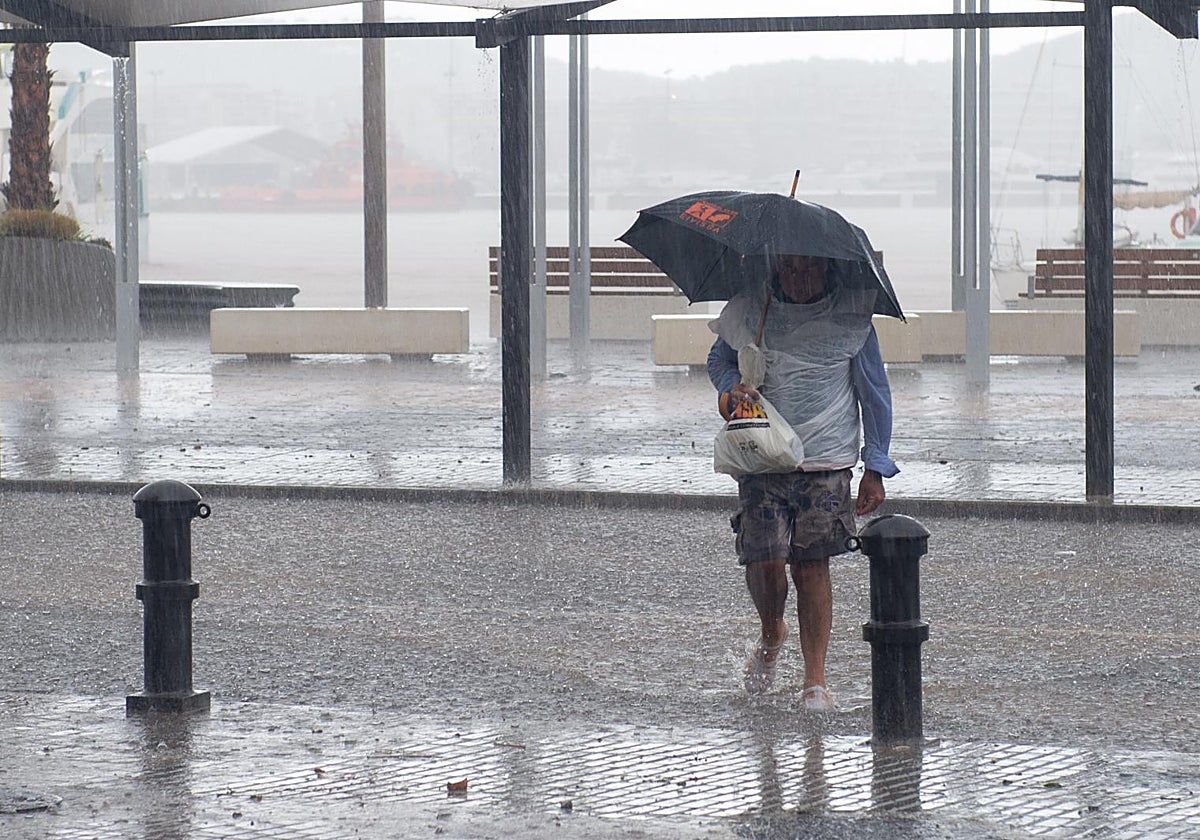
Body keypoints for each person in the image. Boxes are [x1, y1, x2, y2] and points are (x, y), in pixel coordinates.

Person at [706, 252, 898, 711]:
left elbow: (875, 394)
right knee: (765, 561)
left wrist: (875, 465)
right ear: (774, 269)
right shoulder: (754, 310)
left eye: (808, 267)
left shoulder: (851, 321)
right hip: (762, 454)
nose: (798, 277)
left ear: (828, 269)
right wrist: (732, 387)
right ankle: (773, 631)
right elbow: (720, 361)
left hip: (826, 462)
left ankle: (815, 679)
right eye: (788, 268)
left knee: (812, 567)